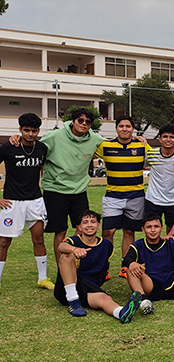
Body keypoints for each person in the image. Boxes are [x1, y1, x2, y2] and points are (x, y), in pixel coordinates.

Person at [35, 108, 106, 265]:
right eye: (80, 120)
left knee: (82, 227)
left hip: (79, 190)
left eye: (88, 122)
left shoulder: (94, 139)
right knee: (60, 230)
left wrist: (138, 140)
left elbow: (115, 145)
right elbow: (34, 149)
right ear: (73, 121)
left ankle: (74, 261)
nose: (84, 124)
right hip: (55, 190)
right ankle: (63, 267)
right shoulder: (55, 136)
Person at [53, 210, 141, 323]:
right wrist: (74, 250)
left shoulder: (106, 245)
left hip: (89, 287)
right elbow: (61, 246)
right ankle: (73, 301)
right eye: (85, 222)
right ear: (79, 227)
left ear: (99, 225)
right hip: (68, 286)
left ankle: (121, 313)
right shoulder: (74, 241)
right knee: (66, 256)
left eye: (93, 222)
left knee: (105, 299)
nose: (89, 225)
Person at [94, 115, 152, 279]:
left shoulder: (141, 146)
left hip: (136, 197)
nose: (124, 129)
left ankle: (126, 267)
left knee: (129, 232)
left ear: (132, 129)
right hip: (113, 196)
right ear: (116, 128)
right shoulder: (105, 146)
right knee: (108, 232)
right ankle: (103, 267)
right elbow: (84, 151)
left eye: (128, 126)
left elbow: (161, 155)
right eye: (121, 126)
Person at [0, 113, 53, 292]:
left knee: (38, 239)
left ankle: (42, 278)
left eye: (34, 130)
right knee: (3, 242)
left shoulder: (42, 148)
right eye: (26, 130)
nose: (30, 134)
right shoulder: (8, 147)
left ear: (39, 131)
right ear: (20, 130)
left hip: (35, 201)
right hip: (11, 202)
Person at [124, 214, 174, 313]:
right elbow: (127, 259)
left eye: (156, 226)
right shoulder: (138, 245)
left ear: (161, 228)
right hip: (152, 285)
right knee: (130, 268)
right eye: (149, 227)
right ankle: (143, 300)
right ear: (143, 229)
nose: (153, 230)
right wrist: (131, 263)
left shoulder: (171, 243)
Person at [144, 123, 174, 236]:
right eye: (165, 136)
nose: (168, 139)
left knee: (171, 233)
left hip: (173, 201)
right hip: (153, 200)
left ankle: (171, 253)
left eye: (172, 137)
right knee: (152, 231)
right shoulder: (151, 154)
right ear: (160, 139)